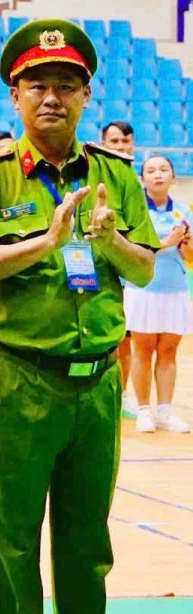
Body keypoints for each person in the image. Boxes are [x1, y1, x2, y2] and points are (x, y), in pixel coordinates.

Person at [0, 18, 160, 614]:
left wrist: (111, 239)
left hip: (97, 378)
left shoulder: (117, 175)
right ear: (15, 94)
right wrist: (47, 241)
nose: (52, 97)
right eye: (38, 84)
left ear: (86, 94)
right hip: (21, 375)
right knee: (13, 528)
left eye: (65, 85)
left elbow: (145, 266)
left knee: (84, 532)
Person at [127, 154, 191, 433]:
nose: (158, 174)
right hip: (143, 289)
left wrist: (186, 244)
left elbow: (189, 257)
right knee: (142, 350)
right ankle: (143, 410)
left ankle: (165, 410)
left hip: (175, 289)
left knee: (168, 351)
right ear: (142, 178)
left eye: (164, 169)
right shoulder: (136, 210)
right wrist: (167, 243)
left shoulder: (184, 211)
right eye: (151, 170)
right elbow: (136, 250)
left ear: (173, 176)